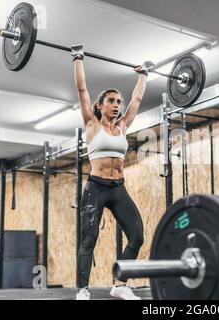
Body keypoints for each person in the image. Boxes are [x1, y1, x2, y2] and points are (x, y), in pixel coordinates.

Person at [71, 44, 147, 300]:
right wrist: (78, 57)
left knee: (137, 236)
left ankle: (120, 284)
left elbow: (136, 99)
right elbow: (81, 89)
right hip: (96, 188)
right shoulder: (91, 125)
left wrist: (143, 75)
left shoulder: (123, 126)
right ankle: (82, 289)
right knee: (89, 239)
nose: (117, 105)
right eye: (111, 101)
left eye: (118, 102)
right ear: (100, 105)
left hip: (118, 188)